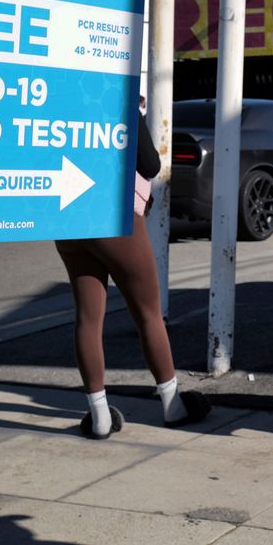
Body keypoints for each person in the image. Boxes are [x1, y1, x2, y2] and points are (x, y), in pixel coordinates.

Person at [54, 111, 210, 439]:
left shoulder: (60, 96)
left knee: (87, 317)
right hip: (112, 211)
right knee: (148, 313)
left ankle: (99, 417)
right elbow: (150, 165)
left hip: (66, 215)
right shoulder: (115, 98)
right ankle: (173, 406)